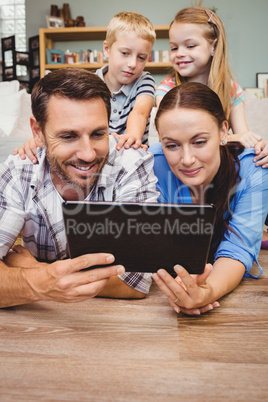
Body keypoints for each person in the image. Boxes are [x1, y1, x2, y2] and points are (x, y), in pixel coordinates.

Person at [0, 68, 159, 308]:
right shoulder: (20, 170)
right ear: (37, 132)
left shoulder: (132, 164)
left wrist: (38, 273)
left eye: (98, 134)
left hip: (113, 326)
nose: (87, 154)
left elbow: (136, 281)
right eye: (68, 136)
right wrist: (44, 282)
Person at [150, 82, 268, 316]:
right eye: (172, 145)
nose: (186, 159)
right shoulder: (153, 163)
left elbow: (238, 248)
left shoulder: (255, 168)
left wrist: (207, 292)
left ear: (224, 131)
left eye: (199, 142)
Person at [14, 11, 156, 162]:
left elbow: (140, 112)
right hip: (95, 155)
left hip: (129, 153)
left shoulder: (144, 80)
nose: (133, 64)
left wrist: (132, 137)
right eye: (125, 53)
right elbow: (66, 119)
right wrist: (38, 140)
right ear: (107, 49)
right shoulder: (91, 82)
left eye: (141, 57)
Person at [155, 6, 268, 167]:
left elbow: (243, 135)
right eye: (174, 47)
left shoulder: (231, 90)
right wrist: (228, 138)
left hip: (218, 163)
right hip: (181, 160)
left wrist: (261, 146)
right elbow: (167, 138)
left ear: (214, 47)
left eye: (190, 46)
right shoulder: (166, 89)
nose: (179, 53)